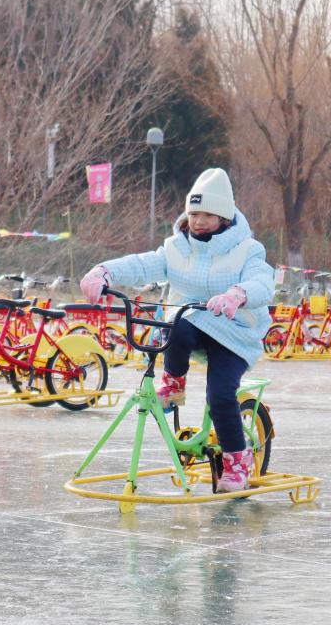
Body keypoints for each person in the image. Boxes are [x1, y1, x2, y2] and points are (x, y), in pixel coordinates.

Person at [79, 168, 274, 492]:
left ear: (224, 217)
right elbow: (142, 264)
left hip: (234, 332)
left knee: (220, 395)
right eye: (194, 214)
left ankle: (237, 462)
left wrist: (238, 294)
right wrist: (104, 271)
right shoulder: (176, 248)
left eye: (208, 215)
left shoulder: (248, 249)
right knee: (176, 323)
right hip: (193, 323)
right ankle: (173, 385)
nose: (198, 221)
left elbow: (262, 282)